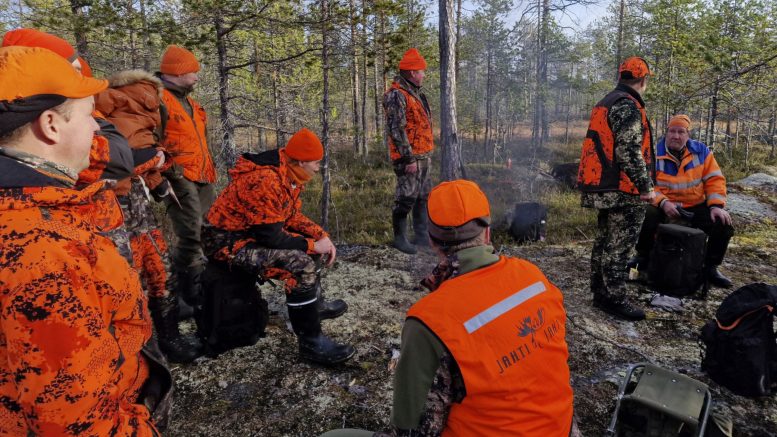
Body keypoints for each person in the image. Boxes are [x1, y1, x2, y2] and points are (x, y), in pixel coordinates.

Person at [0, 45, 170, 435]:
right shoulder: (41, 253)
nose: (96, 129)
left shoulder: (42, 207)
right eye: (87, 115)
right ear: (51, 124)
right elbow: (78, 423)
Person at [322, 180, 577, 437]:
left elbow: (409, 428)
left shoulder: (429, 319)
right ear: (487, 233)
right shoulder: (533, 276)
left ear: (432, 241)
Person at [203, 128, 354, 365]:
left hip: (250, 234)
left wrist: (320, 235)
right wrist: (313, 245)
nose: (318, 167)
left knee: (309, 247)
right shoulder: (266, 179)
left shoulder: (288, 173)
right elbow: (271, 237)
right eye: (316, 162)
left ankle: (314, 306)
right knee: (301, 264)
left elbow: (289, 216)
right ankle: (311, 342)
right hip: (227, 244)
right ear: (301, 161)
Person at [96, 69, 205, 362]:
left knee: (159, 268)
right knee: (127, 281)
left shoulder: (125, 114)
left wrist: (156, 178)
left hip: (136, 205)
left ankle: (169, 338)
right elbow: (114, 161)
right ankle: (140, 348)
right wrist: (155, 160)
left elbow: (140, 153)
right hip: (110, 211)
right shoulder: (103, 116)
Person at [577, 56, 656, 321]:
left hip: (603, 184)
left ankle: (600, 293)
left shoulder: (607, 101)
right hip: (622, 188)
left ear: (622, 76)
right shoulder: (628, 105)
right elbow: (628, 150)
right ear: (643, 79)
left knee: (604, 241)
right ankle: (615, 298)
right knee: (620, 246)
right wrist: (645, 186)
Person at [631, 114, 734, 288]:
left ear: (688, 134)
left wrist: (716, 206)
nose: (676, 136)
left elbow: (714, 179)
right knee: (647, 212)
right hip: (664, 205)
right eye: (672, 131)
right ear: (666, 132)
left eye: (681, 132)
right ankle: (643, 257)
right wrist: (663, 202)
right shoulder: (653, 152)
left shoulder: (701, 151)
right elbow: (647, 185)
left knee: (723, 223)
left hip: (695, 205)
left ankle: (710, 267)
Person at [156, 44, 217, 300]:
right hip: (179, 177)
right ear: (179, 72)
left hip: (203, 175)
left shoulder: (190, 102)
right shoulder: (158, 100)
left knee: (209, 231)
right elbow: (150, 141)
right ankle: (188, 298)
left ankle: (201, 290)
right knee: (192, 234)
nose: (197, 76)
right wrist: (171, 172)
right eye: (193, 71)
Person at [383, 48, 434, 254]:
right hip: (410, 158)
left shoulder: (415, 93)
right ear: (412, 72)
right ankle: (400, 240)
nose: (424, 75)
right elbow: (396, 129)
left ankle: (421, 237)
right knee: (406, 198)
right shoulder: (396, 95)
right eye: (421, 71)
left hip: (424, 155)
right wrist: (408, 158)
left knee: (423, 197)